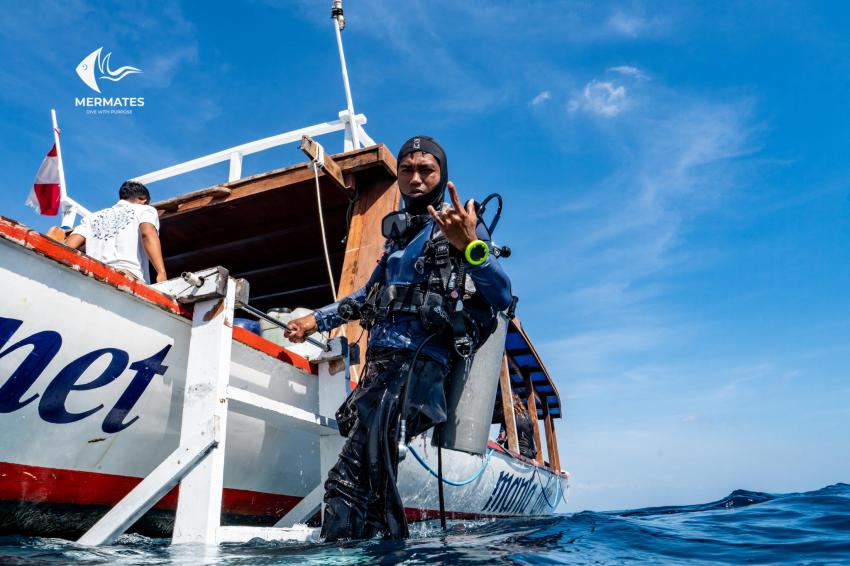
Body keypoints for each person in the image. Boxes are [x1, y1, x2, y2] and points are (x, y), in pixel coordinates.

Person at [286, 135, 512, 541]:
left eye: (427, 170)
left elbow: (500, 295)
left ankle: (347, 550)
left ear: (442, 176)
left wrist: (472, 246)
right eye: (407, 170)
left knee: (348, 483)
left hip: (418, 370)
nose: (415, 178)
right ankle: (386, 548)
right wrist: (314, 321)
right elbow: (365, 297)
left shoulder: (457, 228)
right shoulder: (397, 239)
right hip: (380, 372)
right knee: (372, 481)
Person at [65, 180, 167, 284]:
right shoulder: (145, 210)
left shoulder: (91, 218)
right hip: (127, 277)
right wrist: (161, 272)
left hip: (93, 277)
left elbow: (68, 246)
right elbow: (147, 234)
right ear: (143, 199)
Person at [498, 393, 537, 460]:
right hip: (531, 454)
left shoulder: (508, 415)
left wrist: (495, 442)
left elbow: (502, 437)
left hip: (516, 453)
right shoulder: (528, 416)